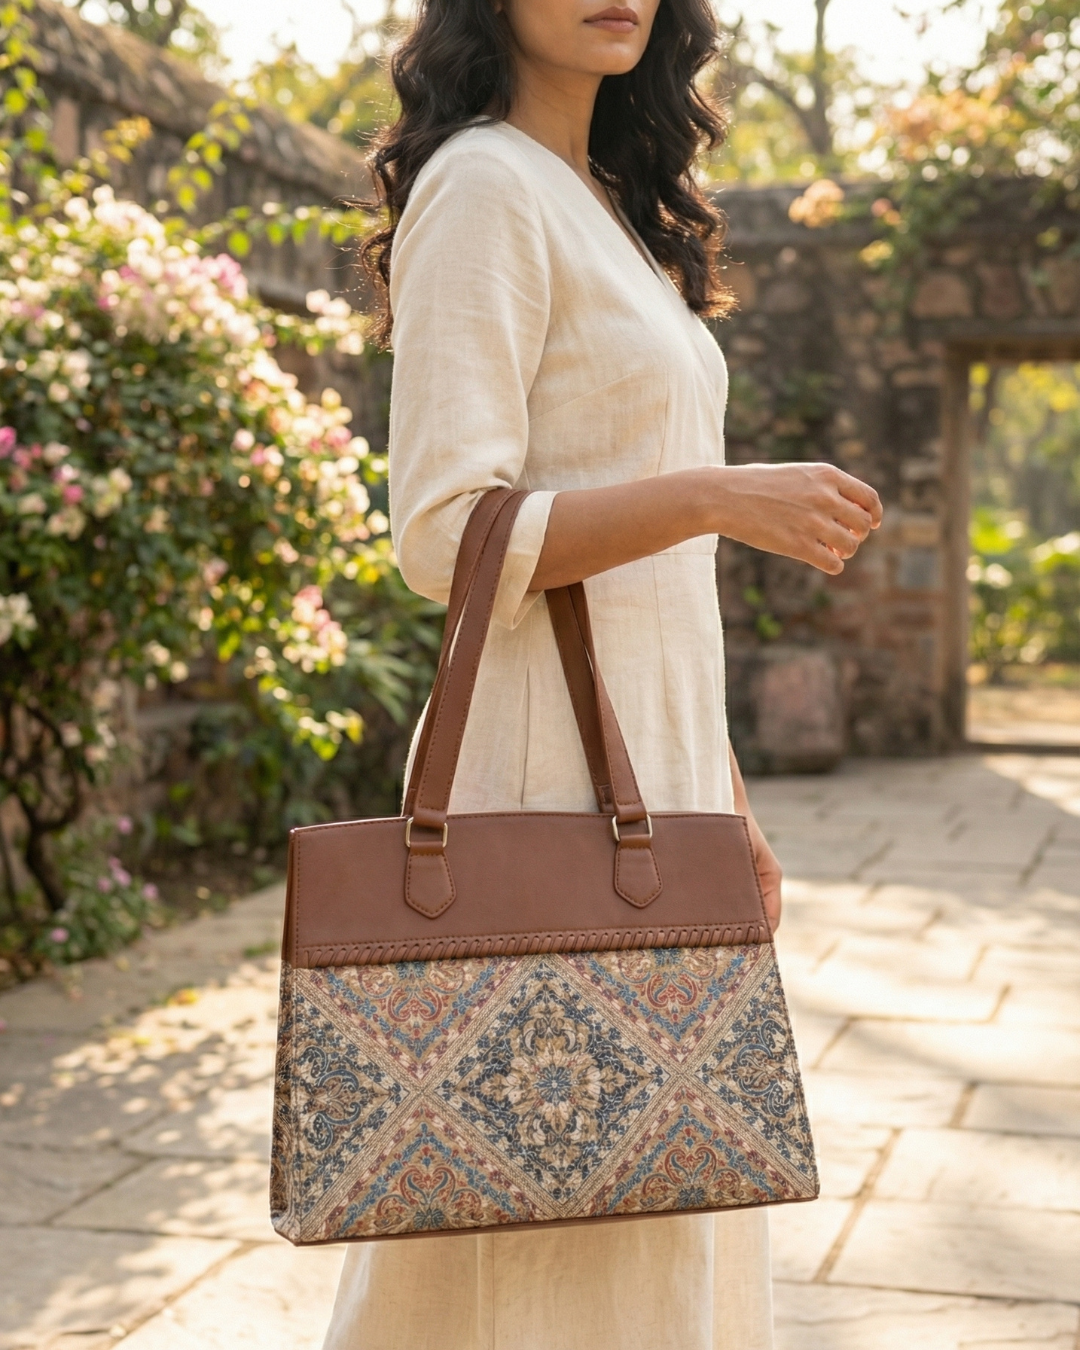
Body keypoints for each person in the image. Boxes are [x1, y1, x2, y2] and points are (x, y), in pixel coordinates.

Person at [322, 1, 882, 1346]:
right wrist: (712, 495)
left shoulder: (616, 209)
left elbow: (656, 599)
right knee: (542, 1240)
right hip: (541, 779)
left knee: (659, 1207)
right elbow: (446, 530)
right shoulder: (483, 187)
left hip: (655, 778)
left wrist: (727, 801)